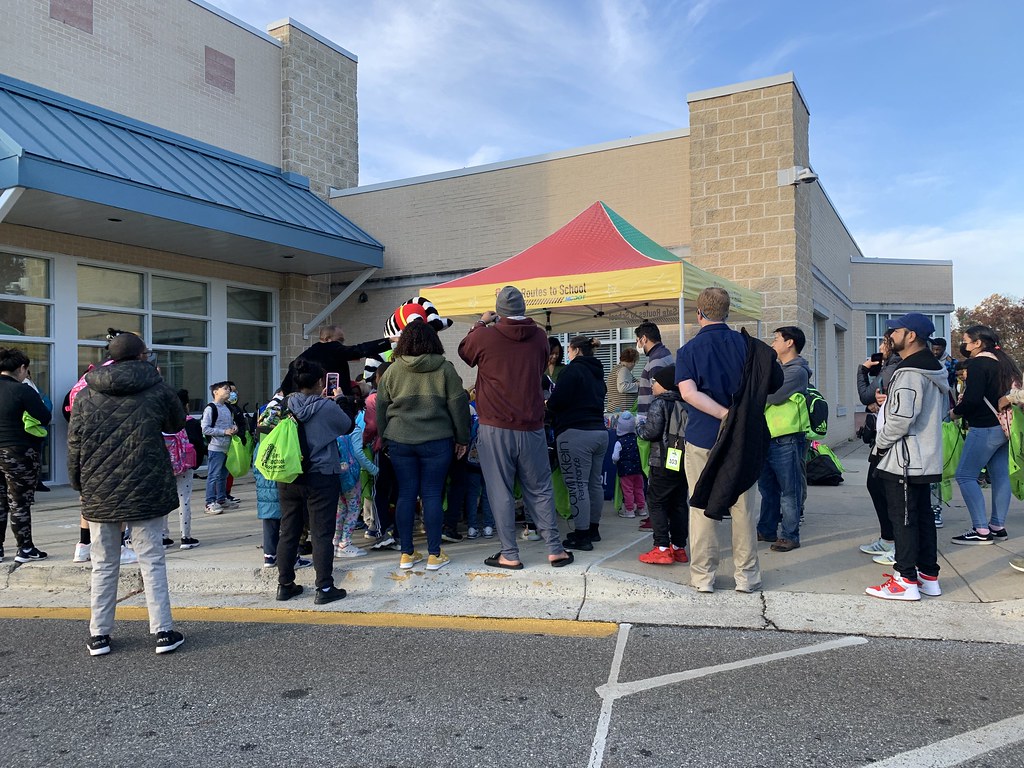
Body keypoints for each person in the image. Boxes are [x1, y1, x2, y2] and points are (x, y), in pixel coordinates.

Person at [67, 332, 186, 655]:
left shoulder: (86, 392)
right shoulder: (156, 387)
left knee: (103, 563)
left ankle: (99, 635)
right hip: (146, 481)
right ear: (142, 356)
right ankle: (163, 632)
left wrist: (78, 482)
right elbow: (176, 423)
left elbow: (75, 441)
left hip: (99, 485)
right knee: (151, 559)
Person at [459, 285, 574, 569]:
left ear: (499, 311)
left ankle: (509, 553)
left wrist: (481, 322)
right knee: (540, 488)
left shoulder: (485, 336)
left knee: (500, 489)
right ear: (524, 308)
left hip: (494, 425)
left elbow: (464, 351)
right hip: (532, 424)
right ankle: (555, 549)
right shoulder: (540, 338)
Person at [677, 287, 783, 593]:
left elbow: (688, 393)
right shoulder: (750, 347)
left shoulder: (688, 351)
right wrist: (737, 416)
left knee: (701, 507)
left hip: (702, 438)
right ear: (727, 313)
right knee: (743, 508)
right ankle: (747, 577)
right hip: (743, 438)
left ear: (698, 314)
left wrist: (724, 414)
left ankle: (703, 577)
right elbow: (773, 383)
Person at [865, 313, 948, 601]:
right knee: (921, 516)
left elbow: (902, 419)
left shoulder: (911, 372)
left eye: (895, 330)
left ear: (911, 335)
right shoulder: (931, 369)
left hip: (904, 458)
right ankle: (927, 576)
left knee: (903, 518)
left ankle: (905, 580)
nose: (890, 335)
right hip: (921, 456)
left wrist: (881, 445)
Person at [377, 322, 471, 571]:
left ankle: (407, 554)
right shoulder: (445, 369)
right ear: (434, 341)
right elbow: (459, 405)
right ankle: (434, 554)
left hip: (400, 440)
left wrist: (386, 437)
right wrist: (463, 438)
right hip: (437, 440)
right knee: (431, 494)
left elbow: (381, 407)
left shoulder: (392, 371)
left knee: (405, 494)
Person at [275, 358, 353, 605]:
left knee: (289, 530)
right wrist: (340, 399)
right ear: (321, 382)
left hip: (289, 475)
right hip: (321, 475)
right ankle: (324, 587)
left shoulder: (284, 404)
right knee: (321, 533)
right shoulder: (326, 407)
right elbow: (347, 426)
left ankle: (285, 584)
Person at [950, 325, 1022, 545]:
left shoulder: (979, 364)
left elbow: (972, 399)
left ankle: (981, 530)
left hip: (984, 428)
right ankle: (997, 526)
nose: (964, 345)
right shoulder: (1004, 363)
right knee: (1000, 477)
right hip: (1003, 428)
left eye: (966, 340)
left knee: (965, 475)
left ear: (978, 343)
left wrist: (955, 412)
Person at [546, 336, 608, 551]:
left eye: (569, 350)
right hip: (599, 432)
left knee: (577, 484)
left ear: (576, 350)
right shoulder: (598, 373)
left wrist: (547, 407)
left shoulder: (571, 371)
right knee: (593, 483)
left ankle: (582, 536)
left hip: (575, 433)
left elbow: (557, 401)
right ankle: (593, 529)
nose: (568, 355)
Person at [757, 326, 812, 552]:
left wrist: (757, 393)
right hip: (769, 436)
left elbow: (773, 397)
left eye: (777, 339)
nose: (773, 343)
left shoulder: (796, 371)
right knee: (768, 489)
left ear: (790, 343)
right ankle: (767, 529)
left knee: (790, 490)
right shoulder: (780, 369)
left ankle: (789, 535)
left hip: (787, 439)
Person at [0, 347, 52, 564]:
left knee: (0, 502)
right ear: (21, 368)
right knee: (18, 502)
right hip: (17, 451)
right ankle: (25, 548)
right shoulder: (23, 391)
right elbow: (44, 416)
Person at [635, 365, 689, 564]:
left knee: (656, 501)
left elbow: (651, 432)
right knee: (679, 504)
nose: (652, 385)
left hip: (662, 460)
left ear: (665, 385)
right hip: (682, 461)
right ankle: (679, 547)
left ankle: (661, 547)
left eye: (655, 382)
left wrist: (639, 427)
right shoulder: (686, 402)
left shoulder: (659, 404)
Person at [857, 334, 902, 562]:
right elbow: (873, 398)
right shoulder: (891, 368)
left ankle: (896, 545)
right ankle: (889, 540)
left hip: (891, 440)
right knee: (877, 486)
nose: (880, 347)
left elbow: (865, 395)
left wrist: (862, 370)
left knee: (885, 489)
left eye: (884, 343)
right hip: (887, 438)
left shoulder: (893, 368)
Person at [284, 324, 393, 397]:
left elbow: (286, 386)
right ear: (327, 339)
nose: (342, 345)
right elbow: (359, 349)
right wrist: (388, 341)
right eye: (339, 341)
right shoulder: (332, 348)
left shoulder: (301, 358)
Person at [170, 389, 206, 550]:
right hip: (185, 465)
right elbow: (198, 444)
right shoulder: (190, 422)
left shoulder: (163, 420)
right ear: (186, 404)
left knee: (164, 501)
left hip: (166, 465)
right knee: (183, 500)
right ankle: (186, 537)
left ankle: (163, 537)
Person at [201, 382, 237, 515]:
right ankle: (209, 502)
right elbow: (205, 428)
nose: (229, 391)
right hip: (216, 447)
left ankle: (221, 499)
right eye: (225, 389)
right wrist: (224, 432)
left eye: (229, 389)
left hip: (227, 447)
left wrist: (234, 428)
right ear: (215, 392)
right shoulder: (210, 408)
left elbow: (231, 423)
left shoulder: (227, 407)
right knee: (213, 475)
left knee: (223, 475)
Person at [634, 322, 672, 419]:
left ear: (644, 339)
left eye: (637, 341)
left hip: (652, 418)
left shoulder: (656, 360)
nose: (637, 345)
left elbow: (657, 392)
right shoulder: (664, 354)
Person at [612, 412, 645, 519]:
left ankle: (629, 510)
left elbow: (615, 457)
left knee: (628, 490)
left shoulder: (619, 442)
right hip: (638, 470)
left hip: (625, 472)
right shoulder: (638, 440)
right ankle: (641, 508)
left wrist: (615, 462)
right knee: (639, 489)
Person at [606, 347, 640, 413]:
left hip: (614, 409)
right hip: (622, 412)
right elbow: (622, 387)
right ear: (633, 361)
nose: (634, 365)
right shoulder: (623, 370)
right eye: (635, 362)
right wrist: (638, 384)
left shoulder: (616, 369)